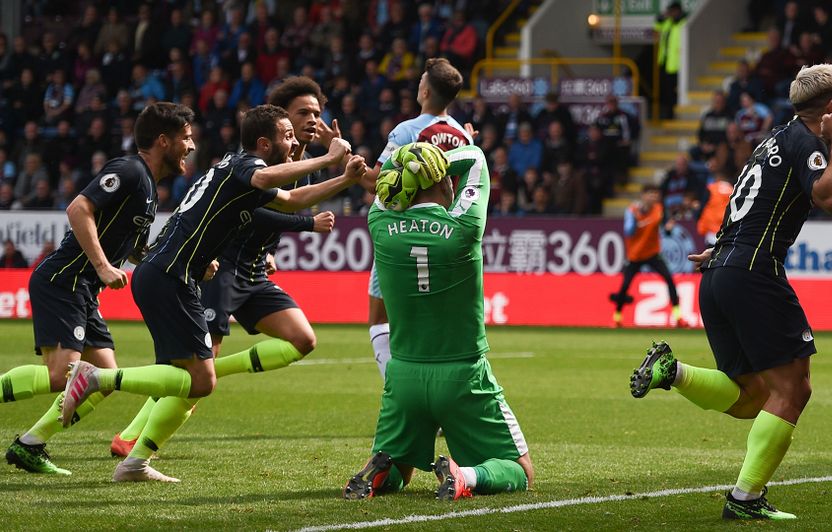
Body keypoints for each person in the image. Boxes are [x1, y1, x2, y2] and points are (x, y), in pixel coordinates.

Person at [59, 105, 362, 482]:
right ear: (264, 143)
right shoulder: (244, 166)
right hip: (169, 275)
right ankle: (99, 382)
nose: (294, 141)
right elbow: (271, 183)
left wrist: (343, 178)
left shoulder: (241, 171)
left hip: (173, 275)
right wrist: (332, 157)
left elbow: (293, 200)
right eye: (287, 135)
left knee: (196, 380)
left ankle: (133, 461)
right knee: (199, 379)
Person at [630, 64, 832, 520]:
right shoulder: (809, 143)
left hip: (720, 269)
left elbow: (744, 203)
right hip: (753, 270)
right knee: (793, 390)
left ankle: (672, 373)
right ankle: (746, 498)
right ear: (830, 108)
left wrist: (722, 251)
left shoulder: (772, 140)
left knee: (752, 396)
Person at [2, 103, 195, 476]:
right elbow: (78, 208)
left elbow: (137, 250)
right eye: (185, 138)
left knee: (102, 376)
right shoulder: (129, 170)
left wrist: (188, 263)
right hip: (65, 279)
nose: (190, 146)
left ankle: (31, 443)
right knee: (65, 376)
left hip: (84, 289)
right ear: (162, 141)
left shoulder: (150, 190)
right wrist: (103, 266)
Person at [344, 142, 533, 501]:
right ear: (443, 180)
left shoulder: (380, 224)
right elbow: (476, 156)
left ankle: (381, 471)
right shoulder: (464, 226)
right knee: (520, 471)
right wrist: (431, 159)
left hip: (403, 378)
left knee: (401, 466)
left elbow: (386, 186)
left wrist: (408, 163)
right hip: (462, 375)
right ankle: (466, 476)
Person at [361, 58, 473, 380]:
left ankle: (400, 395)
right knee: (434, 319)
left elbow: (377, 183)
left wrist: (343, 159)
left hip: (401, 234)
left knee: (380, 321)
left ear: (424, 90)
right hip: (445, 235)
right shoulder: (463, 136)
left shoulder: (407, 130)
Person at [609, 185, 681, 328]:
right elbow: (628, 232)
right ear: (643, 196)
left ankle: (678, 317)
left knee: (669, 279)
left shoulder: (659, 209)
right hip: (635, 255)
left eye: (656, 194)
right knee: (625, 286)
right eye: (650, 194)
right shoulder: (632, 211)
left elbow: (665, 229)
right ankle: (617, 317)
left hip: (653, 253)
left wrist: (668, 229)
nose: (654, 197)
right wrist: (636, 220)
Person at [655, 2, 686, 119]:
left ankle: (675, 112)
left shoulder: (683, 24)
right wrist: (661, 17)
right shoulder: (668, 23)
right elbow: (657, 26)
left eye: (672, 11)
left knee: (675, 91)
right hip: (666, 62)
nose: (671, 14)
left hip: (678, 64)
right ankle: (669, 113)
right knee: (666, 90)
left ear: (678, 11)